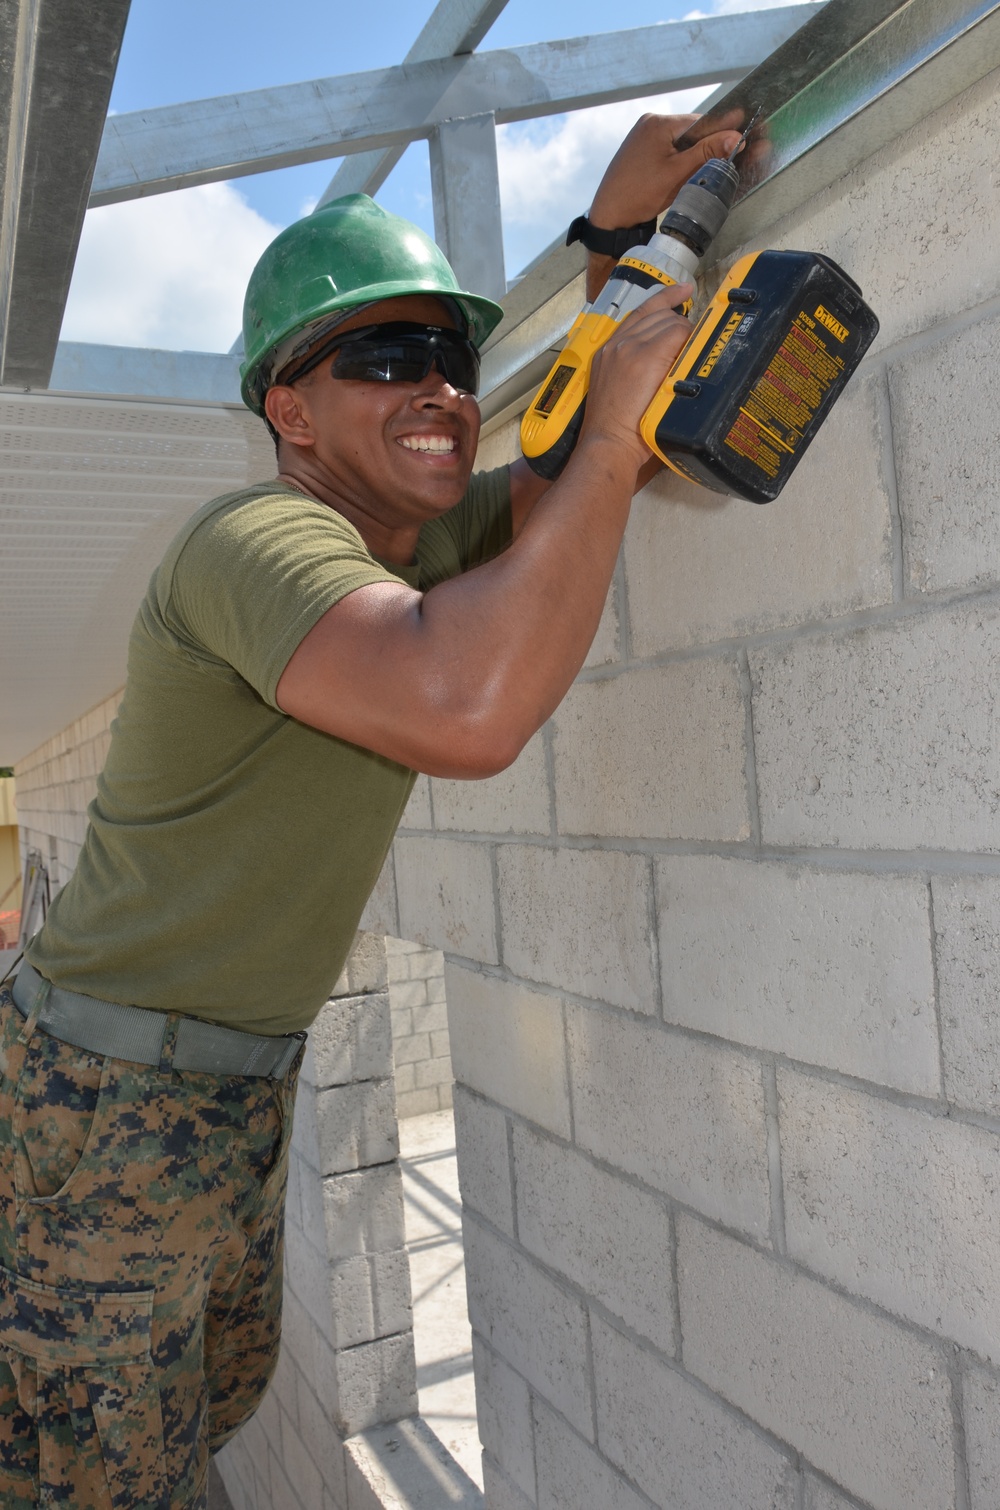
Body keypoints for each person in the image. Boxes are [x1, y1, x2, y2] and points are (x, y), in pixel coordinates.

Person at [0, 113, 743, 1509]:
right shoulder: (257, 541)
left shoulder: (417, 533)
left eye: (452, 358)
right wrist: (609, 445)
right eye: (386, 355)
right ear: (287, 408)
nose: (442, 389)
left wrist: (610, 243)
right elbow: (468, 700)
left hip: (218, 1092)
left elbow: (569, 451)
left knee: (201, 1419)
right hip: (90, 1102)